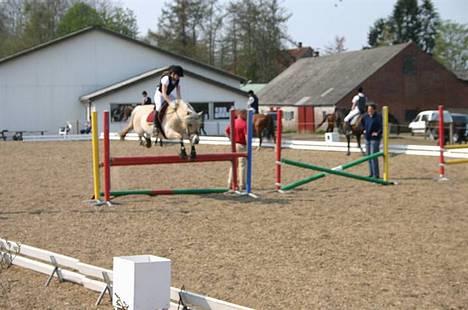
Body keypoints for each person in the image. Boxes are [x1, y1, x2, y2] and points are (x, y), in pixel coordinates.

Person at [153, 65, 184, 129]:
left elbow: (178, 94)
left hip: (168, 94)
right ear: (173, 74)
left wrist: (180, 102)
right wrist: (170, 103)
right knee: (158, 107)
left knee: (176, 103)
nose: (178, 77)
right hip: (160, 94)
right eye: (178, 75)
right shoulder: (166, 79)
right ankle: (155, 126)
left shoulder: (177, 80)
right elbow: (164, 94)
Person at [225, 109, 248, 190]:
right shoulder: (244, 124)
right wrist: (248, 147)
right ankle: (242, 184)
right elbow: (246, 136)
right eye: (246, 114)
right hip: (242, 145)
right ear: (243, 114)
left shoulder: (233, 122)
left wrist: (231, 139)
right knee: (242, 165)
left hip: (234, 145)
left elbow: (227, 131)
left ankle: (230, 182)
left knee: (234, 165)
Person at [361, 102, 383, 178]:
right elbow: (362, 124)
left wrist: (377, 133)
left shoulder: (378, 117)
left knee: (373, 156)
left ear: (374, 110)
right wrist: (363, 130)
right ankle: (371, 173)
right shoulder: (365, 117)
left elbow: (382, 126)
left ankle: (376, 175)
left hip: (375, 139)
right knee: (368, 156)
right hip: (367, 138)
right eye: (368, 109)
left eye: (370, 109)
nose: (369, 111)